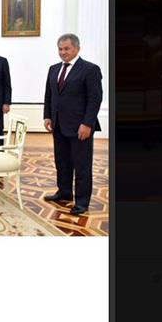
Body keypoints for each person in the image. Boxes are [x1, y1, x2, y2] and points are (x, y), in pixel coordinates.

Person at [43, 33, 102, 215]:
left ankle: (82, 202)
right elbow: (49, 95)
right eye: (60, 49)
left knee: (81, 165)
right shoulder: (54, 69)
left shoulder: (90, 69)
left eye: (67, 49)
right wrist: (47, 116)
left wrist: (87, 123)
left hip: (80, 127)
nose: (63, 52)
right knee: (62, 161)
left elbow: (95, 99)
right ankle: (65, 192)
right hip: (58, 125)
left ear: (77, 48)